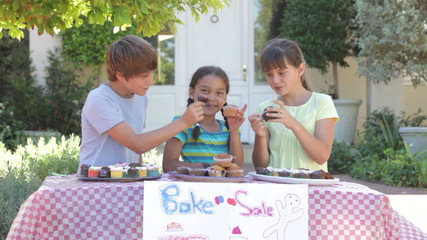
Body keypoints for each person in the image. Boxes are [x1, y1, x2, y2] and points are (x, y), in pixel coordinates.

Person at [79, 35, 204, 169]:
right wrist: (184, 122)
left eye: (152, 73)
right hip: (97, 183)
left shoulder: (141, 96)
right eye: (144, 76)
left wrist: (140, 171)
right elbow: (137, 144)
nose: (151, 81)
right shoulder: (99, 99)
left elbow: (136, 147)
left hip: (127, 180)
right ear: (120, 74)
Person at [249, 38, 339, 171]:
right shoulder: (265, 108)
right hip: (277, 186)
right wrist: (261, 135)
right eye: (269, 74)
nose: (275, 80)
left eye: (282, 73)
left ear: (300, 69)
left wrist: (293, 123)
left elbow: (322, 156)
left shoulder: (322, 102)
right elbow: (260, 166)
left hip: (311, 188)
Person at [162, 66, 247, 172]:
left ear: (225, 98)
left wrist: (234, 130)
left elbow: (236, 168)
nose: (211, 98)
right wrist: (207, 167)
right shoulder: (183, 123)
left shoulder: (228, 128)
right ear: (192, 93)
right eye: (205, 91)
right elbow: (168, 165)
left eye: (219, 93)